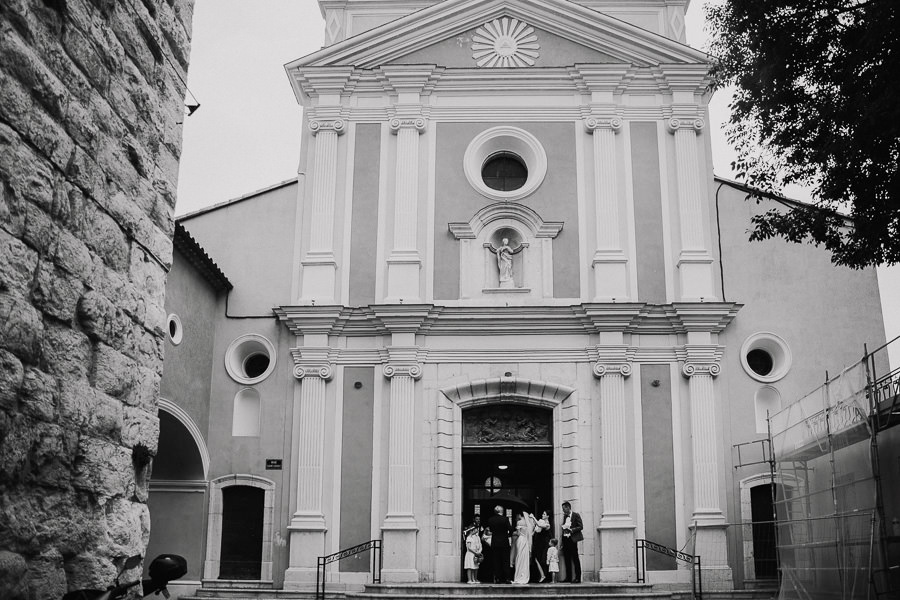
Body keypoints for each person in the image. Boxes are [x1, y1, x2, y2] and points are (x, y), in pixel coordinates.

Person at [486, 505, 513, 583]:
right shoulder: (505, 519)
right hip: (504, 542)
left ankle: (497, 578)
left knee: (496, 560)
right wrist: (509, 535)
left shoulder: (491, 519)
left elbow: (491, 529)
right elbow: (510, 529)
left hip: (495, 542)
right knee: (505, 560)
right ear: (501, 511)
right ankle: (507, 578)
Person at [560, 501, 583, 583]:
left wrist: (572, 530)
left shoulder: (576, 515)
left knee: (575, 558)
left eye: (564, 509)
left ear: (568, 507)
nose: (563, 511)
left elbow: (581, 526)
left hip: (573, 540)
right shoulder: (564, 517)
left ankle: (578, 578)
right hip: (566, 539)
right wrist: (562, 542)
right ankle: (568, 577)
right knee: (567, 559)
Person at [511, 512, 536, 584]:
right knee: (524, 559)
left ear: (520, 515)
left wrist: (513, 533)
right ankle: (524, 576)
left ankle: (518, 576)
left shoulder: (519, 522)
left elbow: (518, 533)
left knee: (519, 558)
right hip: (526, 540)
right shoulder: (528, 523)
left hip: (521, 540)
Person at [532, 510, 551, 582]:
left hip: (544, 544)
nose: (542, 515)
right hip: (538, 543)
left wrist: (533, 517)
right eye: (542, 514)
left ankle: (545, 576)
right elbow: (536, 530)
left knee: (543, 560)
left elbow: (540, 525)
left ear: (547, 516)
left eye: (544, 514)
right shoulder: (540, 521)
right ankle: (542, 575)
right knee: (537, 558)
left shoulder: (547, 524)